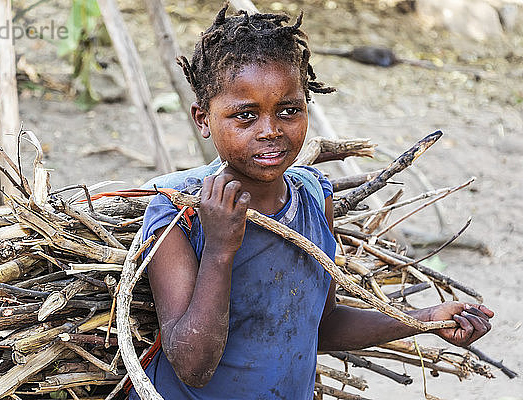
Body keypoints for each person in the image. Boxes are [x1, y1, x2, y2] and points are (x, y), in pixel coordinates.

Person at [130, 5, 493, 399]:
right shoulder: (177, 209)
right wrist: (220, 247)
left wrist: (423, 320)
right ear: (203, 119)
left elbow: (321, 325)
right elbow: (192, 366)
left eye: (288, 111)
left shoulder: (315, 198)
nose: (270, 131)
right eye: (245, 116)